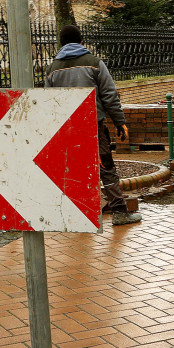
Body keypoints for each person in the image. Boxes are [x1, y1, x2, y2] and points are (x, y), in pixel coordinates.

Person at [45, 24, 141, 225]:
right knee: (105, 166)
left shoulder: (53, 69)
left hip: (67, 128)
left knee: (74, 169)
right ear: (81, 40)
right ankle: (120, 212)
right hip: (93, 126)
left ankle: (77, 215)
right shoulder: (94, 63)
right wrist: (120, 122)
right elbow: (109, 95)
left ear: (61, 43)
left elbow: (48, 102)